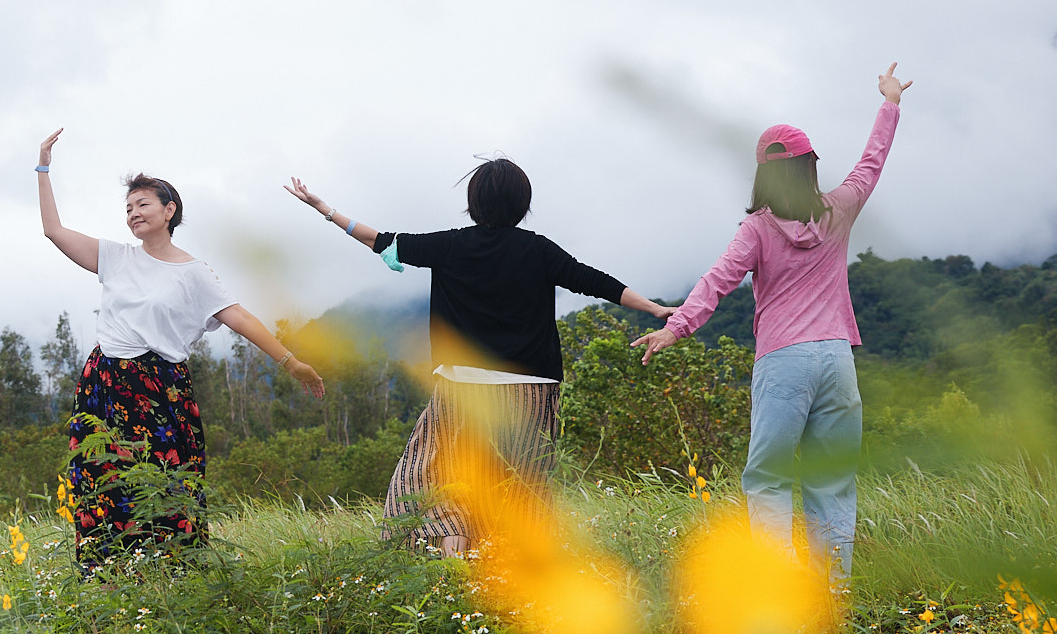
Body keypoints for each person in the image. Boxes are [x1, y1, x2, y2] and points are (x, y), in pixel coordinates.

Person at [286, 159, 674, 557]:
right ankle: (517, 572)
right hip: (531, 391)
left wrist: (325, 209)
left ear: (473, 202)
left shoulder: (451, 246)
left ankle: (455, 573)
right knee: (521, 487)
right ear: (522, 204)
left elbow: (380, 240)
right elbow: (592, 280)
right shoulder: (539, 250)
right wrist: (654, 308)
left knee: (440, 482)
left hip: (463, 389)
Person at [633, 64, 911, 583]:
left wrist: (676, 327)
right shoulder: (840, 208)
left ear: (763, 175)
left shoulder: (756, 229)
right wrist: (890, 103)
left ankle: (782, 593)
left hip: (784, 362)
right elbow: (871, 162)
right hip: (837, 359)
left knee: (768, 480)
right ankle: (831, 592)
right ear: (809, 167)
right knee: (832, 483)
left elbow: (718, 280)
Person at [38, 129, 324, 572]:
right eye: (128, 208)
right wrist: (43, 167)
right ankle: (106, 577)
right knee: (101, 480)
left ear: (169, 210)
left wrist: (290, 361)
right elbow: (53, 231)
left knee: (167, 482)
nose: (134, 214)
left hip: (159, 388)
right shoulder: (115, 257)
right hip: (105, 382)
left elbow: (239, 317)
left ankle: (172, 574)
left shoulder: (193, 273)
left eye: (142, 204)